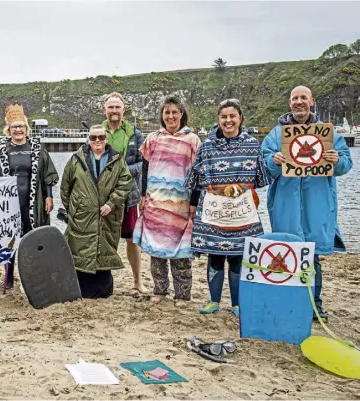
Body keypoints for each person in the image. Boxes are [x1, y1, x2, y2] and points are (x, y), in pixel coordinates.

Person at [261, 86, 353, 322]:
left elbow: (346, 164)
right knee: (287, 254)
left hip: (317, 206)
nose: (299, 102)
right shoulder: (276, 135)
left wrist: (337, 159)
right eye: (295, 98)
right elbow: (262, 167)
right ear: (289, 103)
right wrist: (273, 161)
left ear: (312, 101)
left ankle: (315, 304)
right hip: (285, 205)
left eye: (303, 98)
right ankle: (288, 304)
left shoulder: (328, 134)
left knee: (312, 257)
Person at [185, 99, 271, 317]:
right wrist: (194, 205)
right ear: (219, 120)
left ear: (241, 118)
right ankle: (213, 301)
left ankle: (237, 304)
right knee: (215, 255)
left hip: (241, 212)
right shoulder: (206, 147)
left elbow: (261, 179)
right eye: (224, 117)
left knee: (237, 257)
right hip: (214, 210)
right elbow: (194, 179)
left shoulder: (253, 145)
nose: (228, 120)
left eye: (232, 116)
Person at [134, 96, 201, 306]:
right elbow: (144, 169)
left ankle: (182, 294)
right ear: (162, 116)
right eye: (166, 113)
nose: (170, 116)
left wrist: (194, 203)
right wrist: (143, 195)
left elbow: (198, 174)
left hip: (181, 205)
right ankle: (159, 290)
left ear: (182, 114)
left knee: (181, 252)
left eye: (174, 112)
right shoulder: (153, 138)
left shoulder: (193, 140)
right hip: (155, 203)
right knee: (157, 251)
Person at [0, 104, 59, 290]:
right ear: (8, 129)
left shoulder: (37, 149)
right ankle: (8, 279)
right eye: (14, 127)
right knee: (9, 240)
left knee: (34, 238)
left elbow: (47, 175)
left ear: (26, 128)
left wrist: (49, 197)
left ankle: (35, 277)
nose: (18, 130)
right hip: (9, 204)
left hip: (33, 203)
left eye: (21, 126)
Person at [60, 125, 132, 298]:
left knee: (104, 248)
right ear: (88, 139)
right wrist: (75, 210)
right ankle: (80, 290)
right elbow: (65, 187)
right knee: (79, 250)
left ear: (106, 139)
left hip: (107, 216)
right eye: (93, 138)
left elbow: (125, 183)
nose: (97, 141)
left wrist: (112, 203)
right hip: (82, 217)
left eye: (100, 137)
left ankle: (103, 291)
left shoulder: (117, 159)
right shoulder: (76, 160)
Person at [102, 92, 147, 293]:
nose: (114, 111)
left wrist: (125, 171)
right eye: (110, 107)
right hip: (103, 196)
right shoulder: (97, 132)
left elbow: (143, 162)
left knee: (132, 239)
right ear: (105, 110)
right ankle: (104, 281)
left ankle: (138, 280)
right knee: (104, 238)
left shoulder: (135, 134)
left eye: (117, 107)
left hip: (129, 195)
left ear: (123, 109)